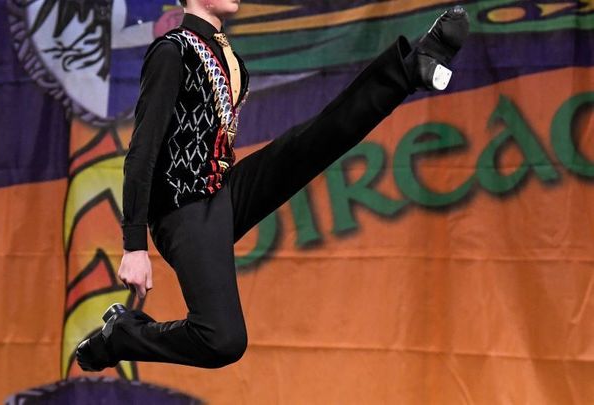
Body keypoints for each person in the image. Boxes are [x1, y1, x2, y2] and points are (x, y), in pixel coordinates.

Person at [76, 0, 470, 371]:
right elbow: (142, 149)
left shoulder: (220, 53)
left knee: (313, 142)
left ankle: (410, 68)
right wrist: (134, 245)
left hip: (222, 190)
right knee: (222, 340)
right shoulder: (170, 51)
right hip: (183, 207)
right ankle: (124, 336)